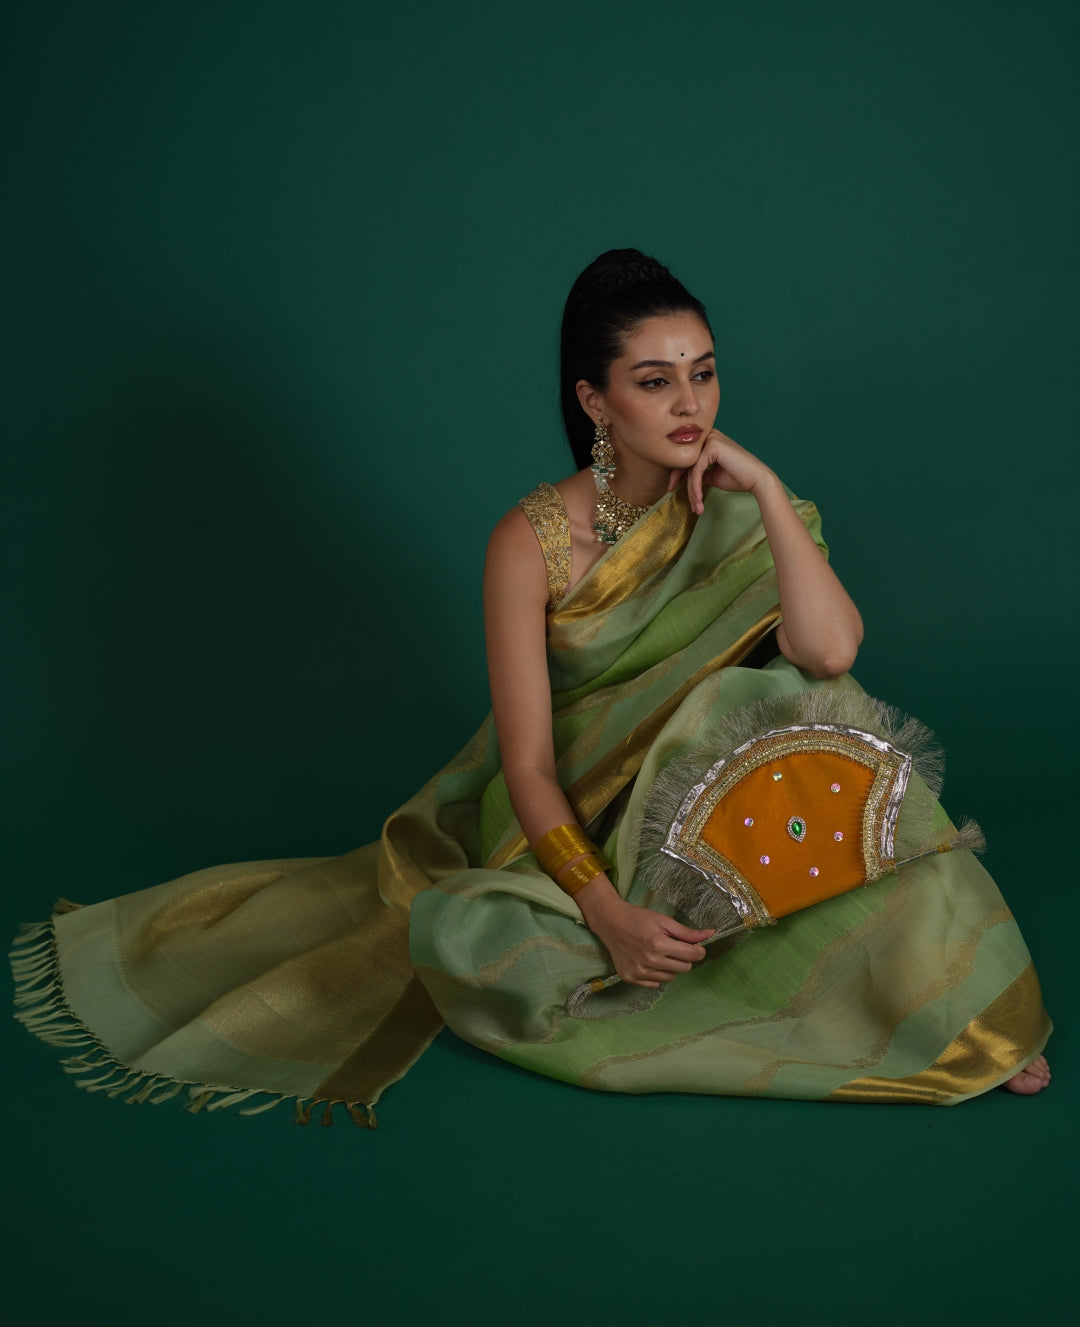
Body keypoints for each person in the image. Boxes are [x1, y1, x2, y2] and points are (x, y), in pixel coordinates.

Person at [11, 249, 1050, 1125]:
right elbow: (529, 764)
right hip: (582, 820)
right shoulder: (533, 543)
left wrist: (770, 491)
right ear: (595, 399)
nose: (691, 405)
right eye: (655, 381)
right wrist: (605, 911)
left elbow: (828, 651)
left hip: (716, 807)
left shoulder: (743, 511)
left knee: (826, 712)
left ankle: (964, 1018)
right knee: (511, 946)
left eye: (703, 374)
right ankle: (723, 965)